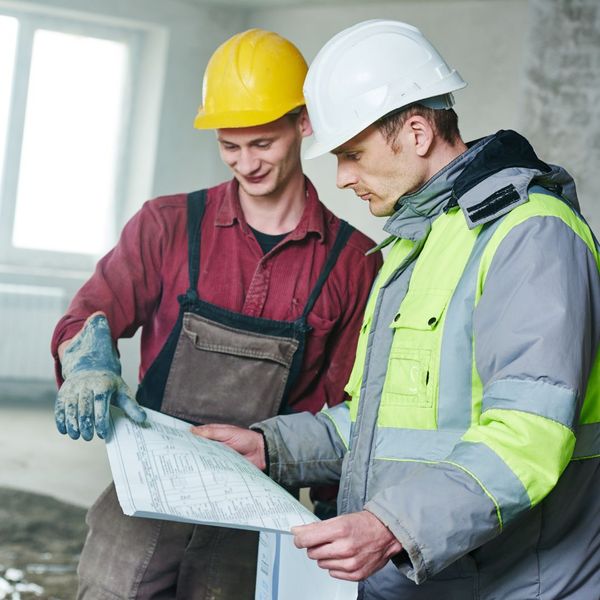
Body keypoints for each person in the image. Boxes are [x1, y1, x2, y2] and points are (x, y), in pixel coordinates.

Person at [193, 19, 600, 599]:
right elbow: (378, 421)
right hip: (426, 576)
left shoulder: (531, 234)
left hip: (511, 583)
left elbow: (528, 434)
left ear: (415, 132)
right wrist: (271, 447)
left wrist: (391, 526)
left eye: (353, 154)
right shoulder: (416, 243)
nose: (341, 178)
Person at [51, 28, 382, 599]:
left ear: (302, 124)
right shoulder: (167, 224)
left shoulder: (352, 263)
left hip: (259, 503)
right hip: (148, 488)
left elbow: (348, 406)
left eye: (262, 144)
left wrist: (338, 512)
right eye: (231, 146)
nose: (246, 164)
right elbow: (90, 312)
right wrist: (87, 361)